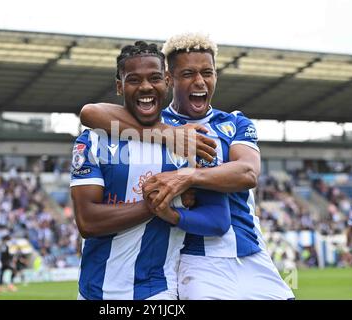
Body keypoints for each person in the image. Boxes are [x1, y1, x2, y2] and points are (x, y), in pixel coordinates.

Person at [80, 32, 294, 300]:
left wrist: (189, 176)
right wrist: (167, 134)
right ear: (169, 79)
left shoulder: (236, 122)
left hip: (250, 249)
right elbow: (91, 113)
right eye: (188, 74)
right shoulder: (155, 120)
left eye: (207, 72)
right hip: (195, 259)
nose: (199, 81)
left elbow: (247, 172)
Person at [70, 40, 230, 300]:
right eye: (134, 80)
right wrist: (160, 204)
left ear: (167, 81)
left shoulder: (192, 141)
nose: (145, 87)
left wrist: (177, 215)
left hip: (158, 291)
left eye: (155, 78)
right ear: (120, 86)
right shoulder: (94, 140)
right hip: (94, 292)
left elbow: (218, 220)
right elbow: (88, 221)